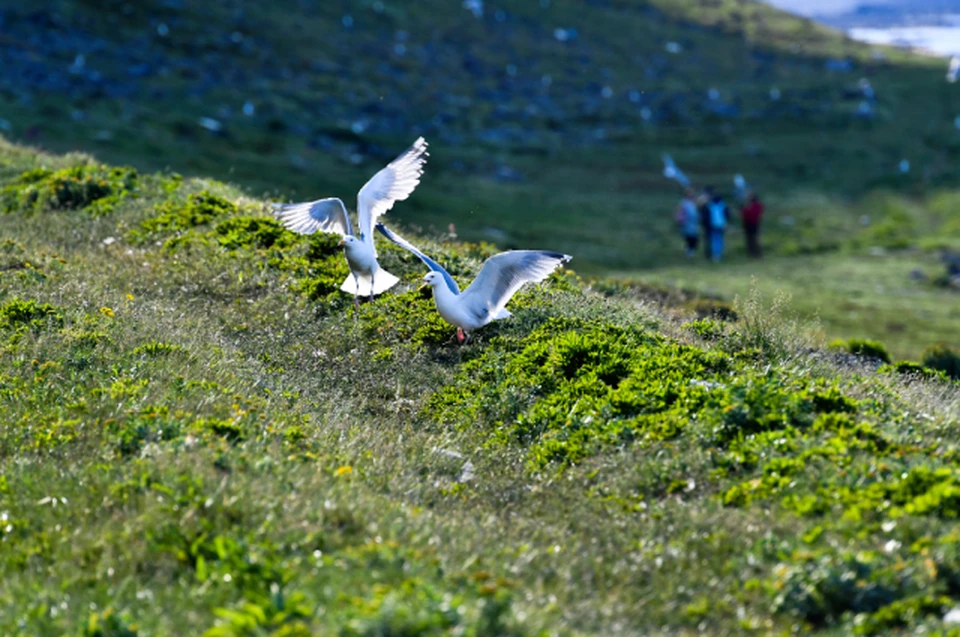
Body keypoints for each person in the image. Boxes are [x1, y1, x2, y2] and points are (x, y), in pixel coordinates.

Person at [700, 186, 729, 262]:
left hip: (713, 224)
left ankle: (715, 255)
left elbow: (705, 214)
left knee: (714, 239)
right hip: (721, 224)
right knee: (720, 239)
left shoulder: (710, 204)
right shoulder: (722, 204)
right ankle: (719, 254)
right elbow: (727, 214)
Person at [675, 188, 700, 257]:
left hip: (693, 224)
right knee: (690, 238)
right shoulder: (684, 203)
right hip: (687, 223)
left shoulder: (692, 202)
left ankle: (689, 251)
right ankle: (689, 252)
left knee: (693, 238)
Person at [741, 192, 764, 258]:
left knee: (756, 240)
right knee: (750, 240)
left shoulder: (756, 205)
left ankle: (758, 254)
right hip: (748, 225)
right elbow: (744, 214)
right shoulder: (748, 205)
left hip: (754, 224)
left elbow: (751, 214)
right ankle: (752, 254)